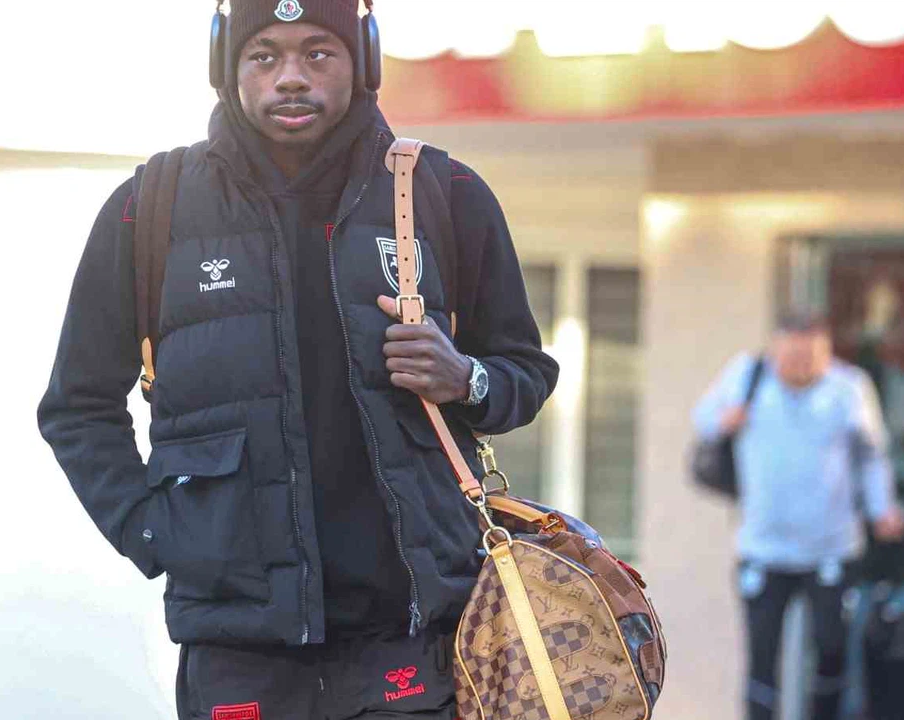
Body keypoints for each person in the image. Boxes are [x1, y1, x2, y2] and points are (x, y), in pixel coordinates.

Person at [37, 1, 557, 717]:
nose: (290, 77)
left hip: (409, 634)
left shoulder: (444, 192)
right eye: (264, 55)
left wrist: (465, 378)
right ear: (226, 65)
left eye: (317, 53)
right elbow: (77, 406)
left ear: (362, 62)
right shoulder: (149, 207)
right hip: (237, 641)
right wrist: (152, 531)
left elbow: (525, 371)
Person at [693, 312, 904, 720]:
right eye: (792, 358)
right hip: (763, 547)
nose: (801, 367)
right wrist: (725, 420)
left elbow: (871, 457)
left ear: (827, 353)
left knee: (831, 649)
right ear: (775, 350)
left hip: (830, 547)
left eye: (811, 358)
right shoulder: (747, 375)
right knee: (762, 654)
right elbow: (702, 420)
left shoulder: (849, 388)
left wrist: (882, 509)